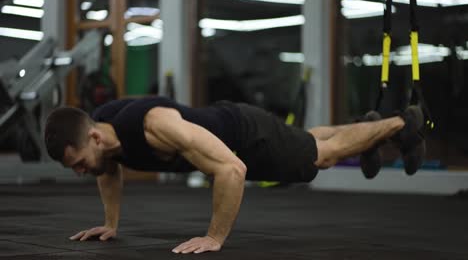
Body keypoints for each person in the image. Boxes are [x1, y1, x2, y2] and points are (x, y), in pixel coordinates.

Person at [43, 96, 425, 254]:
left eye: (78, 162)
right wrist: (110, 223)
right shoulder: (105, 133)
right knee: (309, 142)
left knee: (321, 157)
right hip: (231, 131)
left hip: (246, 135)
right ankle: (369, 131)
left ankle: (402, 123)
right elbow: (106, 171)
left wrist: (214, 237)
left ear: (93, 136)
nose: (80, 172)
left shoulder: (153, 125)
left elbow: (231, 168)